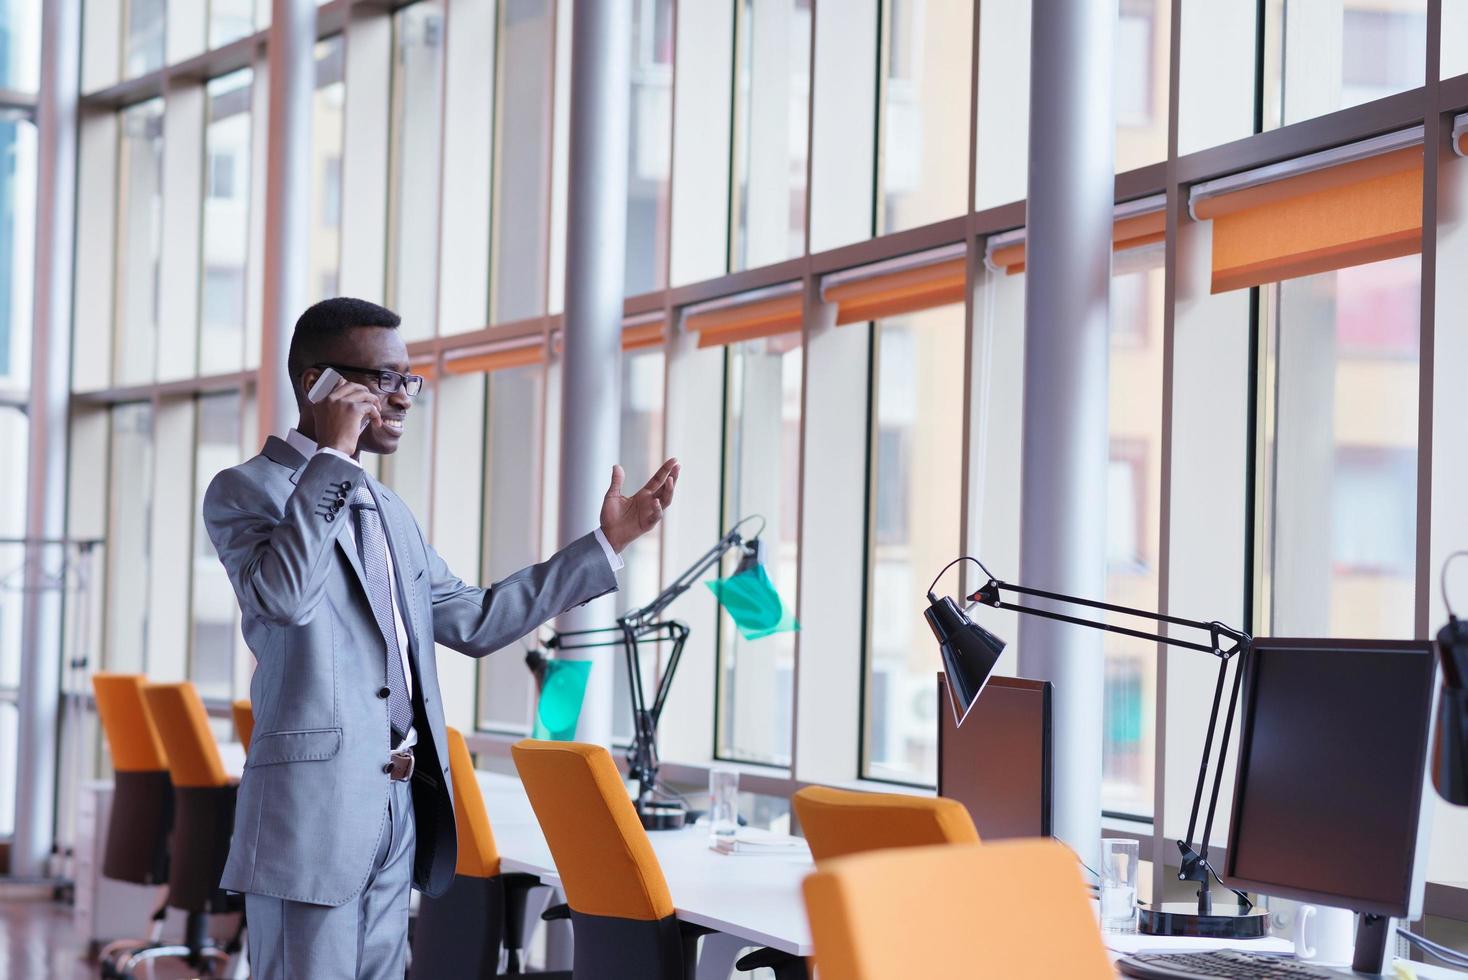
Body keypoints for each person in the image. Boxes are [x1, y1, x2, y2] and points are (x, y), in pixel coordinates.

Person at [203, 297, 678, 979]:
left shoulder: (388, 510)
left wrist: (607, 545)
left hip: (400, 808)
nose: (402, 398)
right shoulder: (248, 491)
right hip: (310, 819)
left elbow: (477, 620)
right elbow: (280, 598)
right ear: (318, 384)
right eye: (383, 379)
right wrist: (333, 457)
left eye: (408, 378)